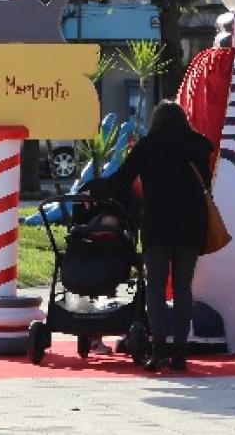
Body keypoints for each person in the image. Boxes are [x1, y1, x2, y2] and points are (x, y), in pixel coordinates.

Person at [90, 100, 213, 372]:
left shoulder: (148, 146)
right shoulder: (199, 147)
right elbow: (207, 184)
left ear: (156, 120)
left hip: (158, 225)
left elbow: (121, 181)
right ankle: (180, 353)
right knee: (183, 289)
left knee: (156, 288)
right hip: (191, 226)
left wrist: (93, 190)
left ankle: (159, 350)